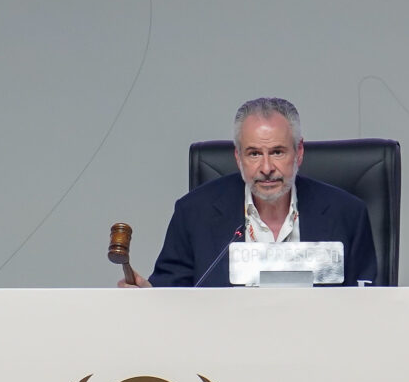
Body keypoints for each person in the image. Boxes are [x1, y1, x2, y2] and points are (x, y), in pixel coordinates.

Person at [121, 97, 377, 287]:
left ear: (298, 152)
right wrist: (148, 299)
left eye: (277, 152)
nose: (266, 168)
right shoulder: (194, 213)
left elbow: (371, 305)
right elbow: (169, 297)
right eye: (254, 154)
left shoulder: (347, 213)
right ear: (238, 157)